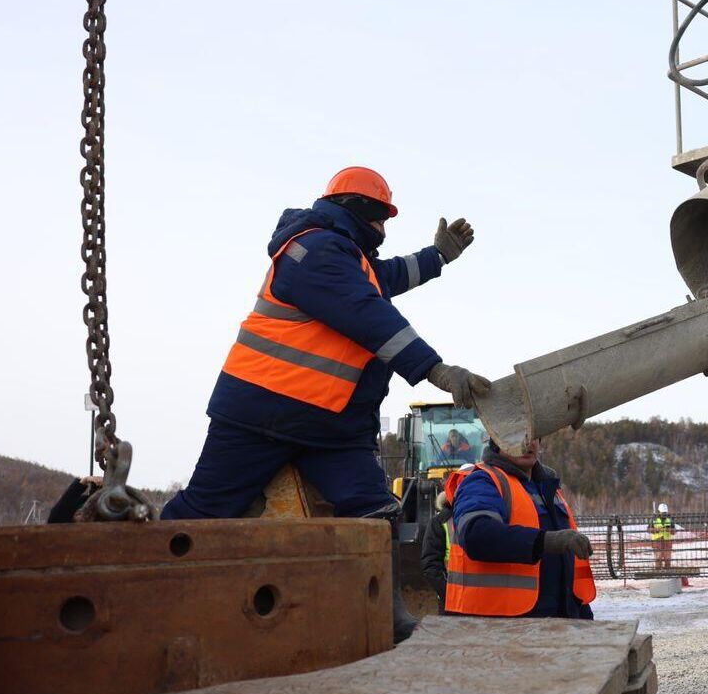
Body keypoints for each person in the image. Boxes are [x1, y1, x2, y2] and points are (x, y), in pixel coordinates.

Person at [160, 167, 489, 643]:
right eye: (381, 218)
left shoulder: (344, 256)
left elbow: (385, 278)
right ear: (359, 211)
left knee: (375, 511)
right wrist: (435, 370)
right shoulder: (312, 251)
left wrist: (438, 256)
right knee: (205, 511)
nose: (383, 230)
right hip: (263, 413)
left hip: (329, 425)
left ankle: (383, 615)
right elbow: (369, 313)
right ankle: (145, 583)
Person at [447, 439, 596, 619]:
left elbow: (564, 569)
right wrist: (546, 541)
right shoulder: (483, 481)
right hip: (496, 626)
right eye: (518, 436)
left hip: (556, 622)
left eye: (534, 436)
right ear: (498, 440)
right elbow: (476, 534)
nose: (527, 444)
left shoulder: (547, 488)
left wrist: (581, 616)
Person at [420, 463, 474, 610]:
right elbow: (431, 565)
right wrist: (450, 594)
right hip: (452, 604)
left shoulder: (494, 519)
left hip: (487, 603)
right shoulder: (439, 522)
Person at [648, 502, 676, 571]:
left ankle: (667, 571)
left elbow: (674, 531)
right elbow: (649, 529)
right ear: (659, 512)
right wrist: (656, 530)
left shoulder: (670, 519)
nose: (664, 514)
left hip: (667, 542)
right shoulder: (654, 519)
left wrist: (670, 530)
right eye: (662, 513)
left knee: (667, 558)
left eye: (665, 513)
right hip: (657, 542)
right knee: (658, 558)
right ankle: (658, 571)